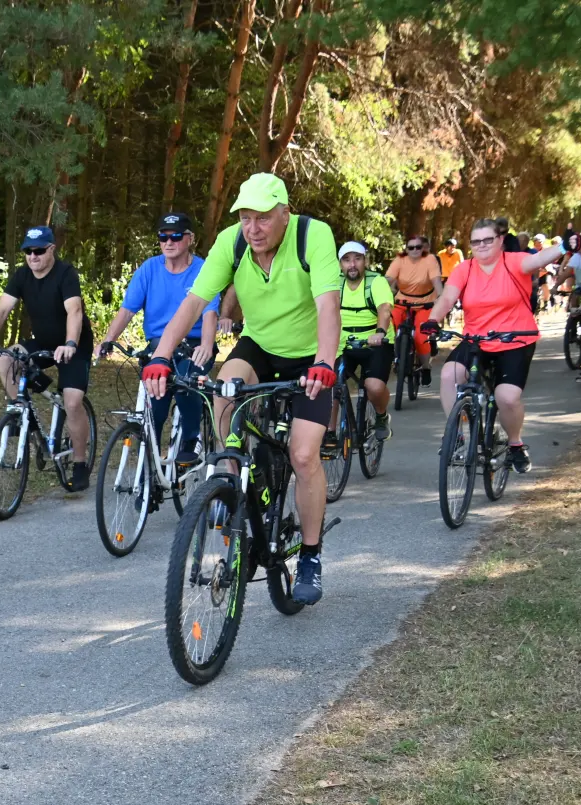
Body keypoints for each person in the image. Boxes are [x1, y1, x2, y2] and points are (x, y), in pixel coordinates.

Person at [143, 172, 341, 605]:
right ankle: (232, 483)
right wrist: (160, 356)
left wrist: (325, 362)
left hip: (312, 355)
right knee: (224, 388)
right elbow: (194, 301)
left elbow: (329, 304)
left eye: (263, 218)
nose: (253, 229)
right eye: (246, 218)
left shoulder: (313, 236)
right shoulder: (233, 242)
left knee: (304, 455)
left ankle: (310, 554)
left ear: (285, 215)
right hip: (261, 345)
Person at [421, 218, 567, 474]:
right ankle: (456, 435)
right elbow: (447, 297)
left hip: (516, 339)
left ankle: (515, 444)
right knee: (448, 375)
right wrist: (433, 320)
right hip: (476, 339)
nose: (482, 246)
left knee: (506, 397)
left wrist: (566, 247)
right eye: (476, 241)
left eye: (488, 240)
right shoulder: (465, 269)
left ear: (500, 240)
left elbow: (539, 260)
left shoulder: (514, 261)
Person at [0, 225, 95, 492]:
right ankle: (21, 412)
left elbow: (74, 310)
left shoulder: (66, 274)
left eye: (39, 250)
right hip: (43, 341)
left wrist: (71, 343)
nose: (33, 257)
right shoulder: (22, 275)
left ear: (51, 249)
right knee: (6, 358)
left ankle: (79, 463)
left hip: (74, 344)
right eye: (28, 252)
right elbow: (2, 308)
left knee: (72, 402)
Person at [96, 212, 221, 464]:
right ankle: (149, 466)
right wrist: (108, 340)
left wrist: (207, 345)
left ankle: (191, 437)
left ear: (190, 239)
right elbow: (127, 310)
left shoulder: (203, 269)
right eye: (163, 236)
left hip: (193, 344)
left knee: (187, 379)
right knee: (156, 399)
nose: (168, 241)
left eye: (175, 236)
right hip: (157, 346)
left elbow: (209, 311)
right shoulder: (149, 269)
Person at [336, 241, 395, 439]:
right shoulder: (335, 284)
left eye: (357, 259)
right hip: (343, 342)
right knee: (328, 382)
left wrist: (379, 332)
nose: (352, 264)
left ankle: (381, 416)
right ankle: (328, 433)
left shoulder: (375, 281)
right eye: (346, 260)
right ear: (340, 264)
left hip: (375, 342)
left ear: (365, 261)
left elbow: (384, 309)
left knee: (374, 386)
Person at [385, 234, 445, 384]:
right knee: (389, 327)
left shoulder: (430, 260)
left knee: (420, 336)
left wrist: (441, 298)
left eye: (418, 247)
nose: (415, 250)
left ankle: (425, 367)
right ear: (406, 249)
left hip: (425, 304)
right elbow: (388, 280)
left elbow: (436, 281)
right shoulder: (399, 260)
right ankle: (396, 358)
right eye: (411, 247)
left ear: (423, 249)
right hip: (402, 302)